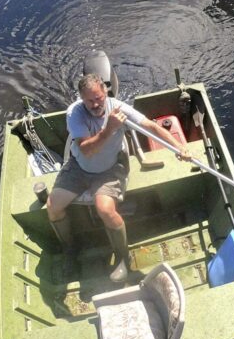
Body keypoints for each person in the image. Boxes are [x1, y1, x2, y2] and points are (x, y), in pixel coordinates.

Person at [46, 73, 186, 283]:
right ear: (81, 98)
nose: (95, 104)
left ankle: (123, 257)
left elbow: (151, 126)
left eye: (99, 98)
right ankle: (70, 249)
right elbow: (86, 151)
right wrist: (109, 128)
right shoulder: (74, 113)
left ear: (105, 92)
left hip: (110, 169)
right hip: (80, 166)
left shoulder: (118, 108)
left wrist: (179, 148)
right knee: (53, 207)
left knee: (105, 210)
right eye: (89, 100)